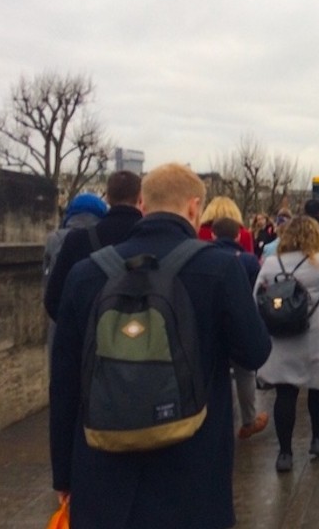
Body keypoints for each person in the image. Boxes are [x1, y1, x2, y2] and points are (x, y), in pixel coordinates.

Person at [49, 162, 272, 529]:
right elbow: (255, 351)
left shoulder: (86, 273)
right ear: (193, 207)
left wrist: (64, 473)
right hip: (192, 472)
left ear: (142, 204)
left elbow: (64, 382)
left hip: (104, 469)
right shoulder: (219, 269)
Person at [256, 216, 319, 472]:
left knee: (285, 392)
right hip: (315, 333)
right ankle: (317, 439)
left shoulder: (271, 263)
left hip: (281, 334)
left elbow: (255, 296)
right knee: (318, 387)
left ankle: (285, 453)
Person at [44, 172, 142, 322]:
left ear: (108, 198)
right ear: (140, 198)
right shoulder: (153, 238)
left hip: (91, 337)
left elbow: (53, 300)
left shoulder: (76, 241)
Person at [212, 217, 270, 440]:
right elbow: (258, 293)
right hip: (240, 321)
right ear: (238, 236)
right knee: (244, 371)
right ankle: (248, 420)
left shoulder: (203, 257)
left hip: (211, 323)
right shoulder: (248, 260)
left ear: (214, 235)